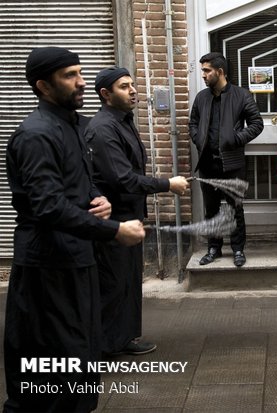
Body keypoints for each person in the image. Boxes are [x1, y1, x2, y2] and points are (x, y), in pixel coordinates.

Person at [4, 47, 145, 412]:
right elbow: (48, 206)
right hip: (48, 267)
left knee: (81, 358)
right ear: (43, 86)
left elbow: (81, 182)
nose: (81, 82)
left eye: (80, 73)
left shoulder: (71, 125)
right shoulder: (36, 135)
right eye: (70, 75)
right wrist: (114, 231)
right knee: (51, 367)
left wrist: (99, 198)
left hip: (77, 259)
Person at [85, 67, 189, 357]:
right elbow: (122, 178)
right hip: (114, 221)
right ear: (106, 94)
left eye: (132, 84)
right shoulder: (103, 129)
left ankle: (125, 337)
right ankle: (102, 349)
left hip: (130, 216)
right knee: (113, 283)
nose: (132, 90)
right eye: (123, 86)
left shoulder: (123, 121)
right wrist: (167, 184)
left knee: (128, 282)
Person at [189, 52, 264, 267]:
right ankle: (214, 248)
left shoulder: (241, 95)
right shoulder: (202, 97)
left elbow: (256, 123)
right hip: (207, 163)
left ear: (220, 72)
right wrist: (198, 138)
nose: (203, 75)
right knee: (211, 209)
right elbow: (193, 122)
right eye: (202, 70)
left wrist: (236, 139)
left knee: (234, 208)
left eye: (206, 70)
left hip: (232, 163)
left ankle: (238, 249)